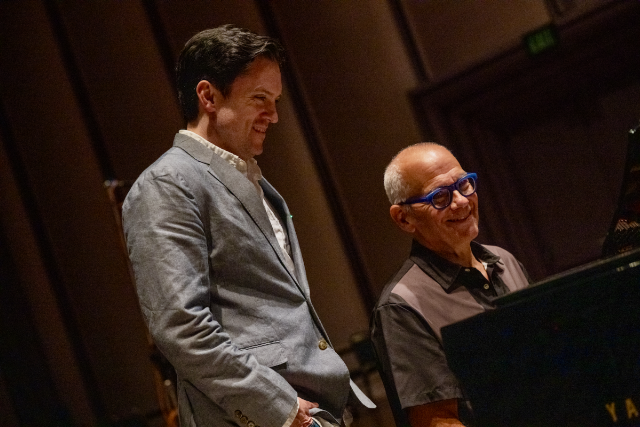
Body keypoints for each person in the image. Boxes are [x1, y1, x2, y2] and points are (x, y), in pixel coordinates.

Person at [122, 25, 373, 427]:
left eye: (275, 101)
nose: (274, 115)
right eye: (260, 99)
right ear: (208, 96)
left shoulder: (253, 180)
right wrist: (280, 409)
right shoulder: (167, 184)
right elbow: (182, 326)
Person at [370, 143, 530, 427]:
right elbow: (437, 421)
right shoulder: (401, 306)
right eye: (440, 196)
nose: (462, 201)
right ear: (404, 218)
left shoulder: (505, 261)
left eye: (464, 184)